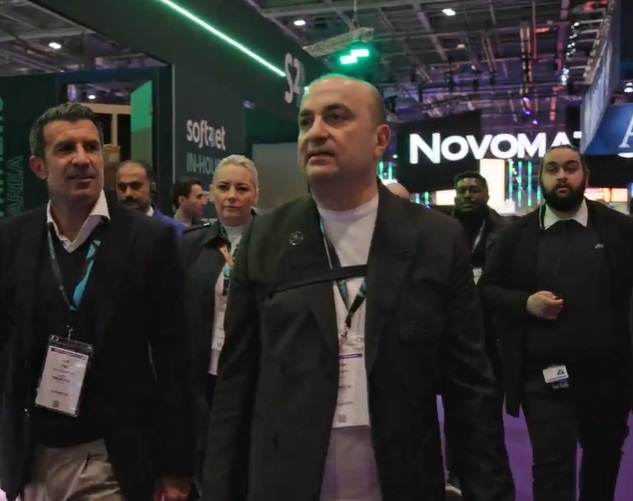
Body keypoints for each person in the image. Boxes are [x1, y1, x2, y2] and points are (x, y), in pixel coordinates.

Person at [201, 74, 514, 500]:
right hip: (287, 478)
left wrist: (488, 489)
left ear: (379, 139)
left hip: (401, 477)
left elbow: (469, 385)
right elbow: (236, 382)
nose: (316, 132)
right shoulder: (266, 237)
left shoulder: (436, 238)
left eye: (336, 117)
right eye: (306, 121)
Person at [0, 102, 195, 501]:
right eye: (66, 148)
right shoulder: (12, 238)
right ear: (38, 166)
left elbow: (174, 356)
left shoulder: (149, 240)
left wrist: (176, 465)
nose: (82, 159)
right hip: (32, 454)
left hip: (112, 455)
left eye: (91, 147)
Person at [478, 145, 633, 500]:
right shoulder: (515, 236)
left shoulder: (620, 230)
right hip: (542, 377)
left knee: (603, 461)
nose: (562, 176)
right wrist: (525, 303)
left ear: (585, 176)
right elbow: (486, 289)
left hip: (607, 376)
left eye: (570, 167)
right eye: (552, 169)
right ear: (541, 178)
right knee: (551, 467)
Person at [178, 154, 259, 486]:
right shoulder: (192, 244)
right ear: (211, 193)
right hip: (204, 374)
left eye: (242, 188)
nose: (232, 196)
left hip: (254, 374)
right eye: (223, 187)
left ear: (256, 194)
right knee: (208, 461)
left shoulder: (273, 242)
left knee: (246, 463)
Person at [445, 170, 509, 497]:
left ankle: (490, 479)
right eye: (462, 190)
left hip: (493, 335)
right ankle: (455, 475)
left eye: (474, 189)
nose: (468, 195)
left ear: (486, 194)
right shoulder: (441, 231)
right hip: (452, 336)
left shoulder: (506, 232)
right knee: (454, 410)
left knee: (489, 411)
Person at [115, 160, 186, 235]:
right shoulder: (110, 229)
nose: (128, 193)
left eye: (135, 186)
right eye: (122, 187)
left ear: (152, 188)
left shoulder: (175, 230)